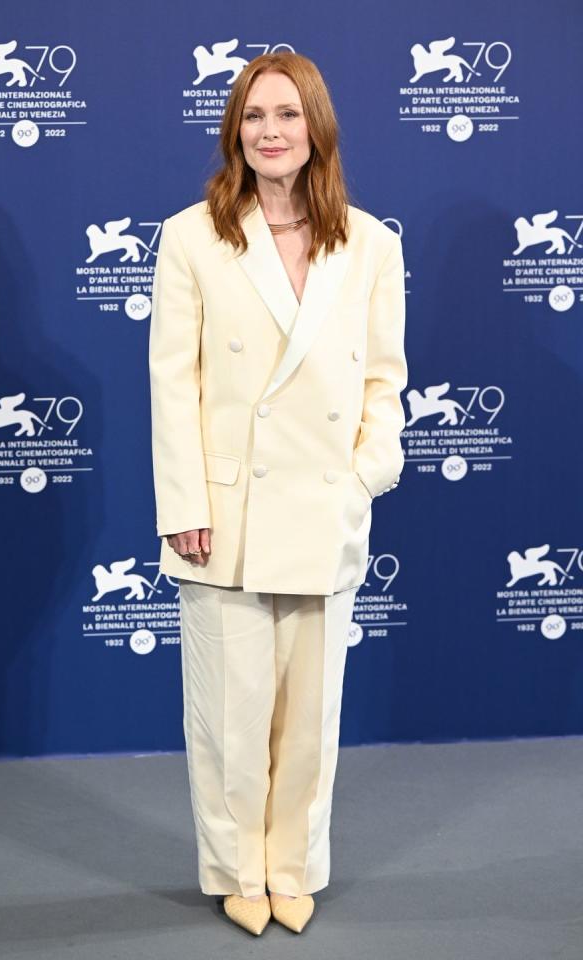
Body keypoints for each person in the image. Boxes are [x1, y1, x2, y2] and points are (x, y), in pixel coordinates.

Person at [148, 51, 407, 935]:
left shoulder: (372, 244)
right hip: (228, 514)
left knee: (308, 718)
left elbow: (382, 384)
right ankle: (235, 868)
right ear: (235, 130)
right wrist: (185, 501)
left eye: (288, 115)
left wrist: (363, 476)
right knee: (230, 713)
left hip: (323, 509)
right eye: (254, 116)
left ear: (316, 128)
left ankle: (291, 864)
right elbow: (171, 382)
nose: (270, 131)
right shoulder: (191, 235)